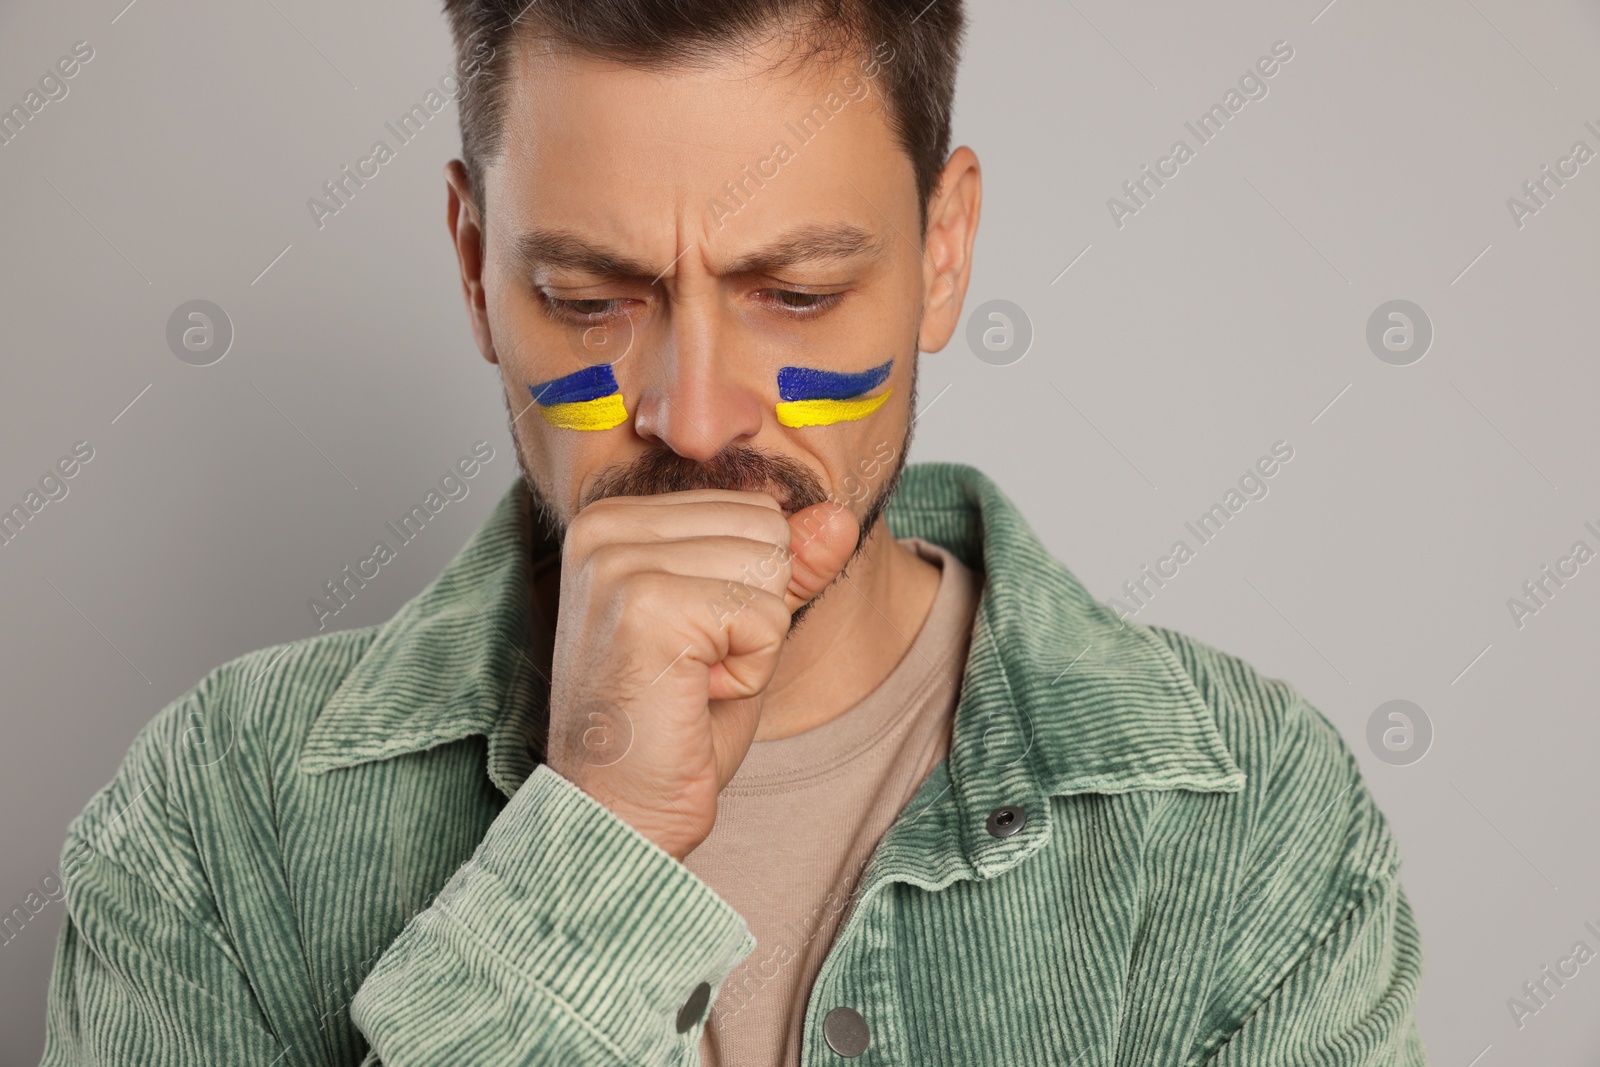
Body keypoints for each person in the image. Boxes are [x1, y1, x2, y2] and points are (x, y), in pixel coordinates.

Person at [39, 1, 1428, 1063]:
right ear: (475, 269)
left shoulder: (1254, 830)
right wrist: (598, 844)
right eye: (591, 298)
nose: (697, 421)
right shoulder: (214, 829)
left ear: (943, 254)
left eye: (801, 293)